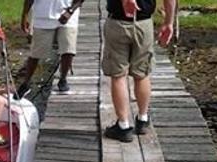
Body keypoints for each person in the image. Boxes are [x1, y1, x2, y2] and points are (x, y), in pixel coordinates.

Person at [102, 0, 176, 142]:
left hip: (117, 22)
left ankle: (123, 126)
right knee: (142, 74)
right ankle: (142, 119)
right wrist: (168, 22)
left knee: (118, 75)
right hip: (144, 23)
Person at [15, 0, 84, 98]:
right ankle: (26, 83)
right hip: (43, 15)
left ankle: (63, 79)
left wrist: (71, 10)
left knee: (68, 50)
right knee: (36, 53)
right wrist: (25, 15)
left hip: (68, 15)